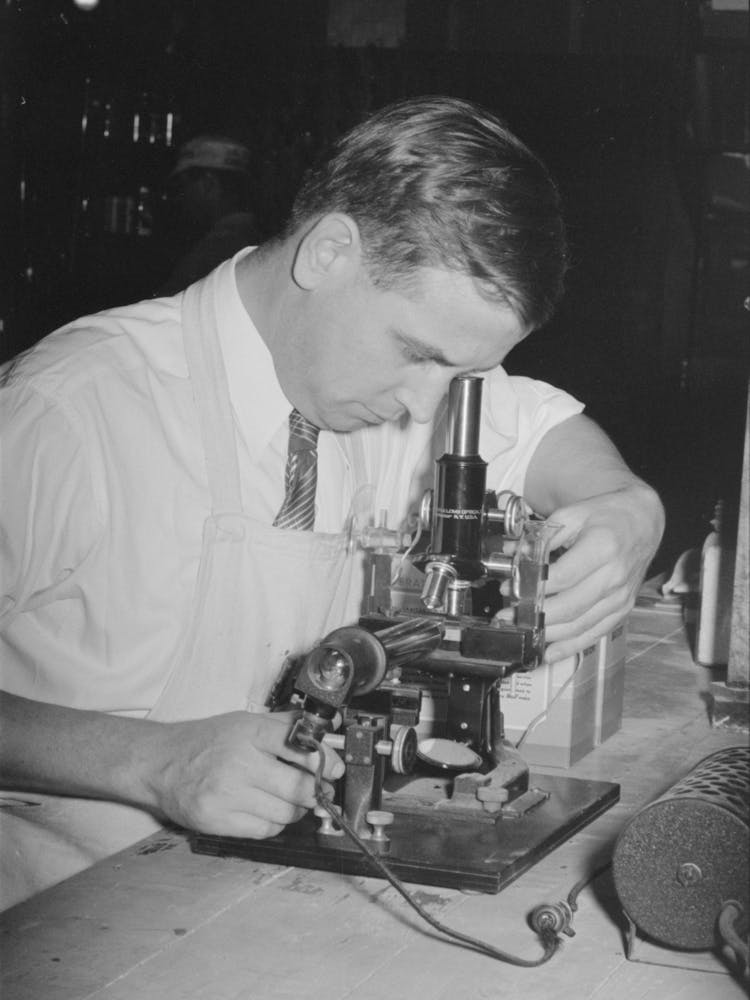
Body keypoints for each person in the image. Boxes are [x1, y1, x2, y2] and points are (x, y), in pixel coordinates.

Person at [0, 96, 664, 910]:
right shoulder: (72, 409)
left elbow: (547, 430)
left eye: (459, 378)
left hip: (243, 902)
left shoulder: (388, 386)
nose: (429, 410)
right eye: (420, 357)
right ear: (329, 252)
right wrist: (152, 760)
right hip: (55, 920)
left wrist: (628, 507)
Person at [156, 133, 262, 295]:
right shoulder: (258, 238)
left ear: (208, 183)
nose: (181, 197)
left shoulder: (212, 252)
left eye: (184, 186)